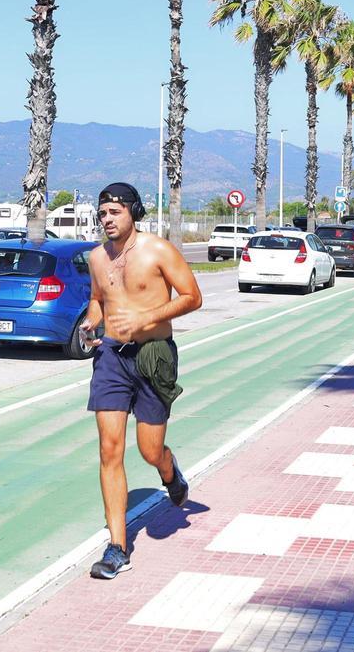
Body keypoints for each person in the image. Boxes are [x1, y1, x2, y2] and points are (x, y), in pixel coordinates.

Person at [81, 182, 203, 580]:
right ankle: (117, 547)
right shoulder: (97, 258)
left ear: (133, 211)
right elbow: (98, 299)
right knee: (109, 449)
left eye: (114, 212)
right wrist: (91, 322)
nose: (107, 220)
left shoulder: (158, 249)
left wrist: (145, 319)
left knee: (149, 449)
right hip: (111, 359)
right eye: (102, 213)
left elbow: (192, 296)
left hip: (153, 355)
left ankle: (170, 473)